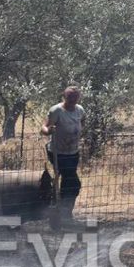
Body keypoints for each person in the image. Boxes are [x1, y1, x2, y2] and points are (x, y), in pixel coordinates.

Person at [41, 86, 85, 229]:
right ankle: (63, 213)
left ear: (78, 98)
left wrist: (77, 135)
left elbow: (82, 123)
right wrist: (48, 131)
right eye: (69, 97)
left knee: (68, 182)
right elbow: (44, 127)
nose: (72, 100)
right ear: (64, 97)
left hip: (73, 152)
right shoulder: (56, 111)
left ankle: (63, 213)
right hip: (58, 152)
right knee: (73, 182)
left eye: (75, 97)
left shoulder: (80, 110)